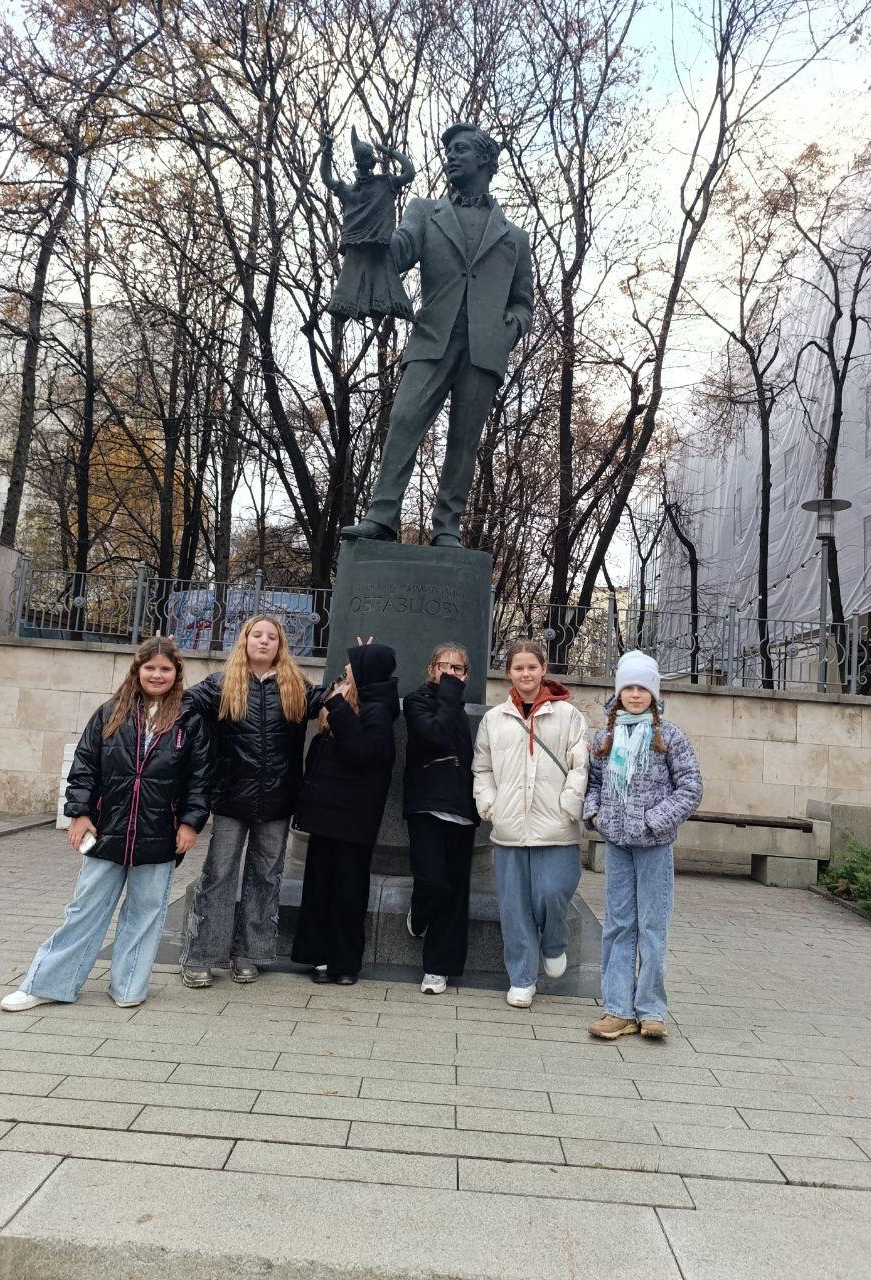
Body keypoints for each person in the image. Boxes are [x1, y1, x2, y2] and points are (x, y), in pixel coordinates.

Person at [341, 121, 534, 548]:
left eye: (461, 149)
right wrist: (373, 211)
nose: (451, 156)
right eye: (449, 150)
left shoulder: (515, 238)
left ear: (485, 159)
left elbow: (524, 301)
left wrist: (509, 331)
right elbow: (399, 252)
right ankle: (382, 516)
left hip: (484, 349)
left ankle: (447, 527)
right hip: (432, 337)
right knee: (405, 419)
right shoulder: (424, 211)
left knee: (464, 441)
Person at [0, 637, 211, 1013]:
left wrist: (191, 823)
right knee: (84, 909)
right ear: (137, 670)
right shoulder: (110, 713)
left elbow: (200, 780)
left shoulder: (189, 721)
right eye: (150, 668)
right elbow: (85, 768)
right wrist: (79, 813)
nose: (157, 675)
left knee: (146, 913)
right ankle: (48, 983)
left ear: (177, 673)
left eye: (165, 668)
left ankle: (129, 985)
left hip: (159, 835)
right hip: (106, 833)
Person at [180, 616, 329, 988]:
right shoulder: (221, 683)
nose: (264, 641)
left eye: (272, 637)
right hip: (231, 800)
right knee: (219, 876)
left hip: (277, 801)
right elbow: (181, 705)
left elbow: (330, 698)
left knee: (265, 877)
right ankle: (201, 955)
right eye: (257, 635)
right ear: (244, 640)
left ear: (281, 645)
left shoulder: (295, 685)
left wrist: (356, 672)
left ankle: (249, 953)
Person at [583, 651, 703, 1042]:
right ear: (618, 693)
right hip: (618, 844)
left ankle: (651, 1008)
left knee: (652, 925)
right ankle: (618, 1009)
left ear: (653, 692)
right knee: (619, 925)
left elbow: (690, 788)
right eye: (628, 688)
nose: (635, 695)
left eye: (642, 688)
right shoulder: (604, 739)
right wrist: (596, 815)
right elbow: (594, 786)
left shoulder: (669, 737)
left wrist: (655, 820)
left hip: (654, 845)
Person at [472, 640, 588, 1009]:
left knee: (553, 892)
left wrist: (569, 804)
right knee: (514, 906)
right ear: (508, 673)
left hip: (556, 827)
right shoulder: (494, 719)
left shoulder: (568, 715)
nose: (526, 674)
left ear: (544, 670)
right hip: (508, 827)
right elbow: (483, 767)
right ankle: (522, 977)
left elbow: (580, 766)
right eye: (518, 668)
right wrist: (488, 804)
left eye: (532, 667)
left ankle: (554, 941)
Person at [291, 642, 399, 985]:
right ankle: (319, 957)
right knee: (319, 887)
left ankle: (344, 962)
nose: (347, 670)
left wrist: (337, 705)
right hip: (328, 811)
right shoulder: (356, 695)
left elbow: (364, 752)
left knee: (348, 890)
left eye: (354, 665)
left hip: (352, 817)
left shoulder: (380, 708)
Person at [403, 643, 479, 995]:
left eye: (458, 669)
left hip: (461, 810)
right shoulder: (417, 701)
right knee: (433, 881)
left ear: (466, 675)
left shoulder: (461, 712)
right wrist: (449, 693)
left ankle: (438, 968)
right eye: (444, 667)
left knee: (454, 893)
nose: (450, 673)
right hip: (427, 805)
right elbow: (432, 734)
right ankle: (419, 912)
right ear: (431, 669)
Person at [320, 126, 415, 323]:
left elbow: (410, 174)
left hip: (377, 247)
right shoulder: (351, 190)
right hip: (357, 247)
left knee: (382, 285)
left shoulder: (385, 183)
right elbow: (327, 178)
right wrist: (327, 150)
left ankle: (377, 306)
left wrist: (389, 151)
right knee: (350, 288)